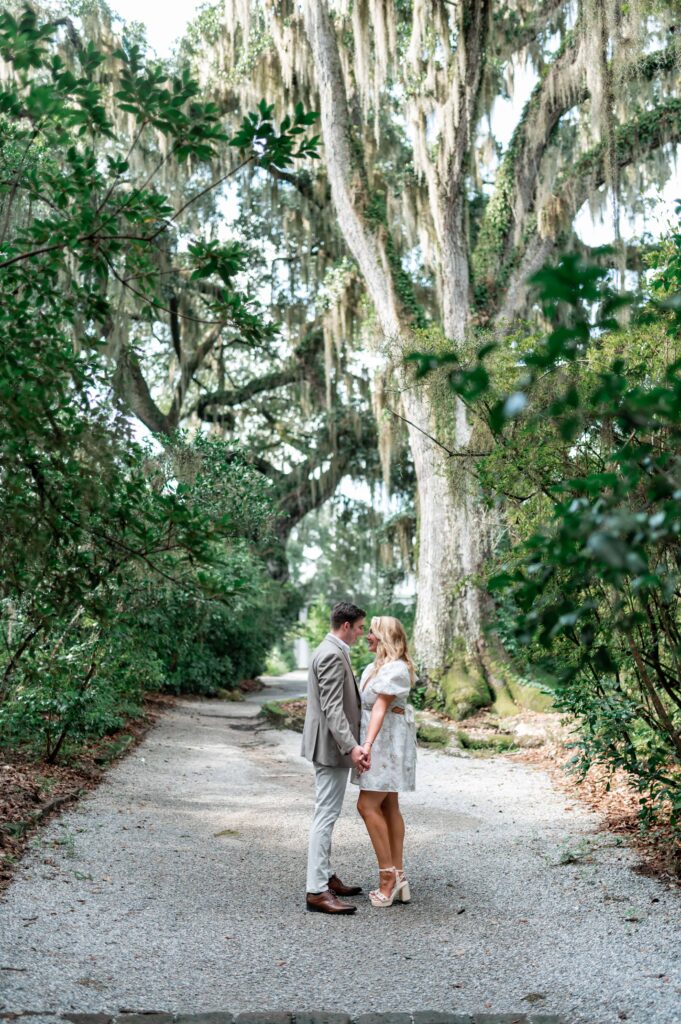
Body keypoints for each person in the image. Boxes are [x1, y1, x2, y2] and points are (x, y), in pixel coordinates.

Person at [301, 601, 370, 915]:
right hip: (331, 748)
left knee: (326, 812)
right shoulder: (331, 654)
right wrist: (352, 746)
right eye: (359, 628)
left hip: (330, 746)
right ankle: (316, 891)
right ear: (346, 626)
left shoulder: (332, 649)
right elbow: (332, 708)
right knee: (325, 815)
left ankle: (326, 877)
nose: (361, 633)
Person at [351, 615, 417, 908]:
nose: (367, 636)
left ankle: (387, 878)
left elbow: (379, 708)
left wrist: (366, 745)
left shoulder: (397, 669)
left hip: (385, 744)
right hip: (379, 739)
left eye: (372, 632)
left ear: (385, 637)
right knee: (389, 805)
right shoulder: (374, 667)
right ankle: (398, 875)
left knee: (366, 805)